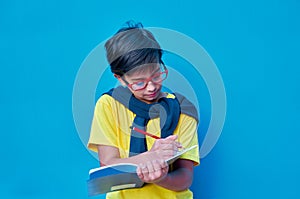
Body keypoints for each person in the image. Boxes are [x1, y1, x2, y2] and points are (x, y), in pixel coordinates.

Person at [88, 21, 200, 199]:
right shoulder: (108, 105)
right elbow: (108, 166)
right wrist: (152, 157)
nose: (151, 87)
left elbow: (185, 178)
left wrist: (161, 177)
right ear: (120, 79)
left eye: (156, 75)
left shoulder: (182, 109)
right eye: (139, 82)